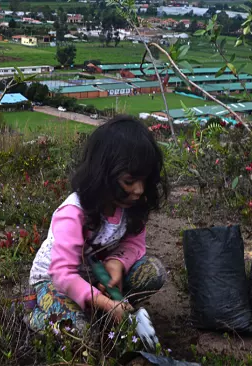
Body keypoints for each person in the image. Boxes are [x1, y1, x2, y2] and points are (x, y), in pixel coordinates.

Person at [27, 115, 168, 332]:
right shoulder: (73, 213)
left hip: (94, 275)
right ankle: (34, 314)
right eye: (129, 182)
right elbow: (63, 274)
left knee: (153, 271)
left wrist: (117, 263)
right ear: (103, 175)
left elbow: (134, 244)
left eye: (144, 180)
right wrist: (106, 303)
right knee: (77, 330)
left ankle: (103, 312)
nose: (139, 190)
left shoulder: (129, 206)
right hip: (54, 281)